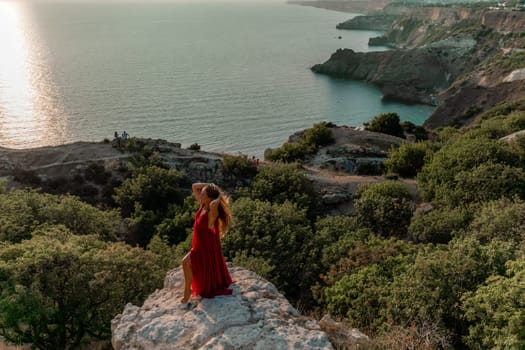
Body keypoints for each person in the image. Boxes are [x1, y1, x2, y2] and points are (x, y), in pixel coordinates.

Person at [181, 183, 233, 303]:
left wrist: (218, 195)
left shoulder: (212, 212)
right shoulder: (203, 205)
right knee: (186, 263)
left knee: (185, 262)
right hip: (199, 244)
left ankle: (187, 292)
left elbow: (215, 203)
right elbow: (194, 186)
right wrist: (210, 185)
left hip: (205, 246)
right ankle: (188, 290)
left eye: (203, 193)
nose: (200, 194)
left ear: (209, 198)